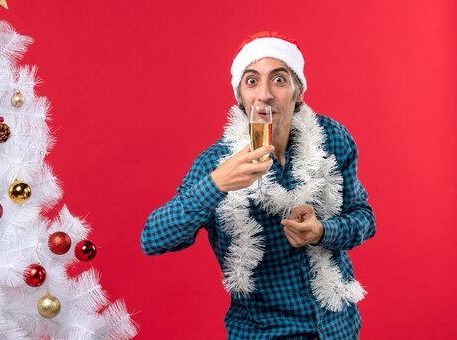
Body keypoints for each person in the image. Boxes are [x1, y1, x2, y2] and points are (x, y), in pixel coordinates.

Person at [140, 31, 376, 340]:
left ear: (298, 92)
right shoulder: (216, 164)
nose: (264, 94)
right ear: (240, 97)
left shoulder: (332, 139)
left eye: (279, 80)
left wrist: (322, 231)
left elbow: (364, 218)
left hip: (339, 327)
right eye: (252, 81)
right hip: (266, 333)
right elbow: (153, 239)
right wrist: (216, 185)